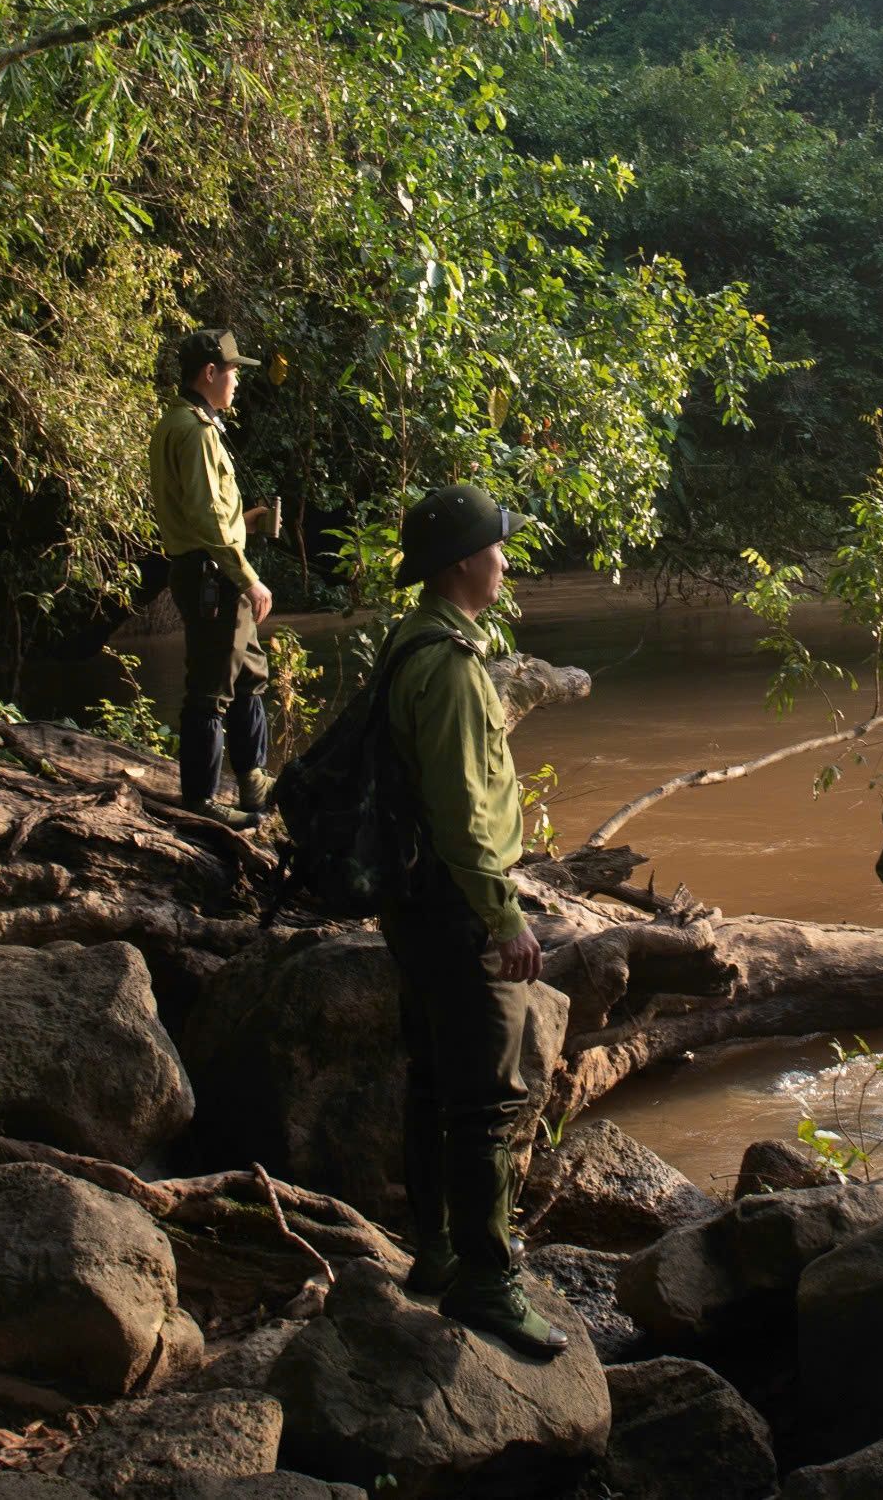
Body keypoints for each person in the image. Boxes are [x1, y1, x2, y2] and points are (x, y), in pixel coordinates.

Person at [379, 483, 567, 1357]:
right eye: (496, 547)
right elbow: (461, 810)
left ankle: (436, 1250)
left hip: (415, 898)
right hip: (457, 903)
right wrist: (504, 917)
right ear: (463, 563)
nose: (504, 560)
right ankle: (487, 1283)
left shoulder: (411, 638)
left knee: (432, 1078)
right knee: (489, 1099)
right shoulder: (451, 666)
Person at [148, 328, 276, 827]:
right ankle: (201, 801)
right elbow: (204, 517)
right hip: (213, 576)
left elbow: (203, 513)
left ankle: (253, 781)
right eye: (232, 372)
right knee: (211, 688)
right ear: (209, 373)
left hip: (206, 568)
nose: (237, 382)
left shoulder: (176, 422)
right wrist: (248, 578)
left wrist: (246, 522)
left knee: (248, 673)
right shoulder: (196, 431)